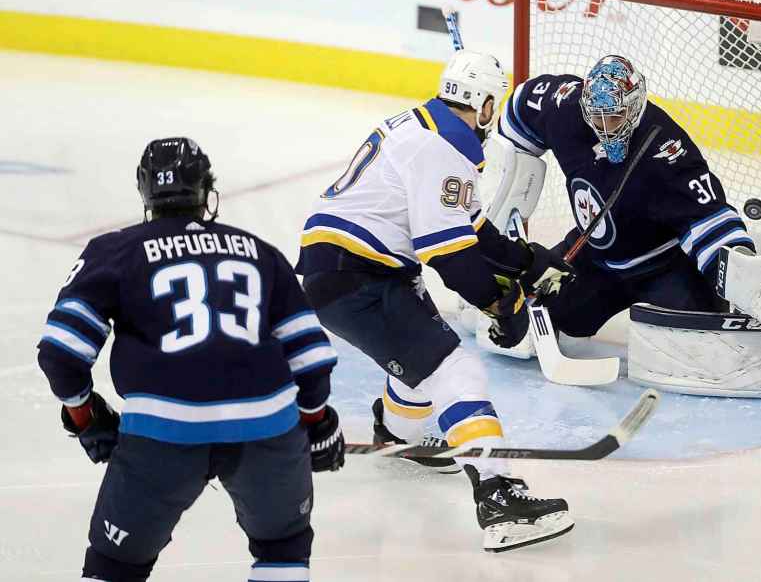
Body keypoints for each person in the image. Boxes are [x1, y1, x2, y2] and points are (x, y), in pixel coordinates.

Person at [491, 54, 761, 404]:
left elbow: (709, 221)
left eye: (614, 116)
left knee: (700, 348)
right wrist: (506, 165)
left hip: (665, 266)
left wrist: (739, 268)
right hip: (597, 257)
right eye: (595, 115)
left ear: (634, 106)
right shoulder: (564, 107)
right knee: (558, 320)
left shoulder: (666, 150)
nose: (604, 125)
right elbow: (519, 107)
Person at [295, 50, 574, 551]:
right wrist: (498, 303)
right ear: (486, 105)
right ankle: (498, 495)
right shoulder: (441, 149)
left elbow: (471, 227)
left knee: (425, 369)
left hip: (350, 269)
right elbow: (447, 256)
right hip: (359, 274)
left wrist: (526, 261)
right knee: (455, 370)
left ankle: (399, 429)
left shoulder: (425, 127)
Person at [36, 138, 344, 582]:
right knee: (283, 549)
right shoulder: (259, 252)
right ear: (206, 192)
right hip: (266, 430)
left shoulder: (116, 252)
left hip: (163, 434)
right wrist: (315, 422)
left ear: (145, 193)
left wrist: (86, 417)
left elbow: (60, 353)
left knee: (114, 565)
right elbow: (311, 357)